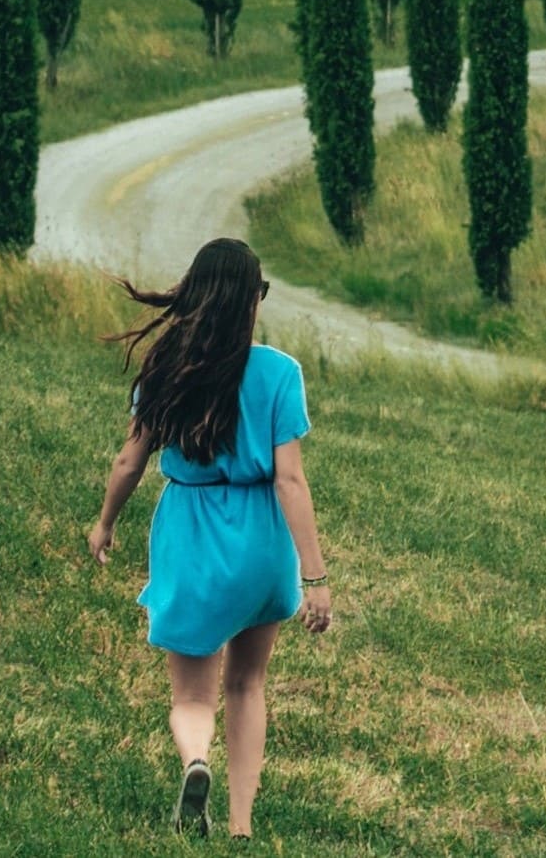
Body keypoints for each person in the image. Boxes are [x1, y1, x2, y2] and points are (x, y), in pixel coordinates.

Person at [89, 237, 334, 838]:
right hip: (261, 543)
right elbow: (291, 481)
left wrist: (105, 522)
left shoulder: (166, 370)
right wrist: (316, 576)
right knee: (249, 685)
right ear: (251, 300)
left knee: (194, 698)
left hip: (191, 534)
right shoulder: (279, 372)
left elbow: (129, 463)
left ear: (194, 296)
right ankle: (242, 827)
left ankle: (196, 760)